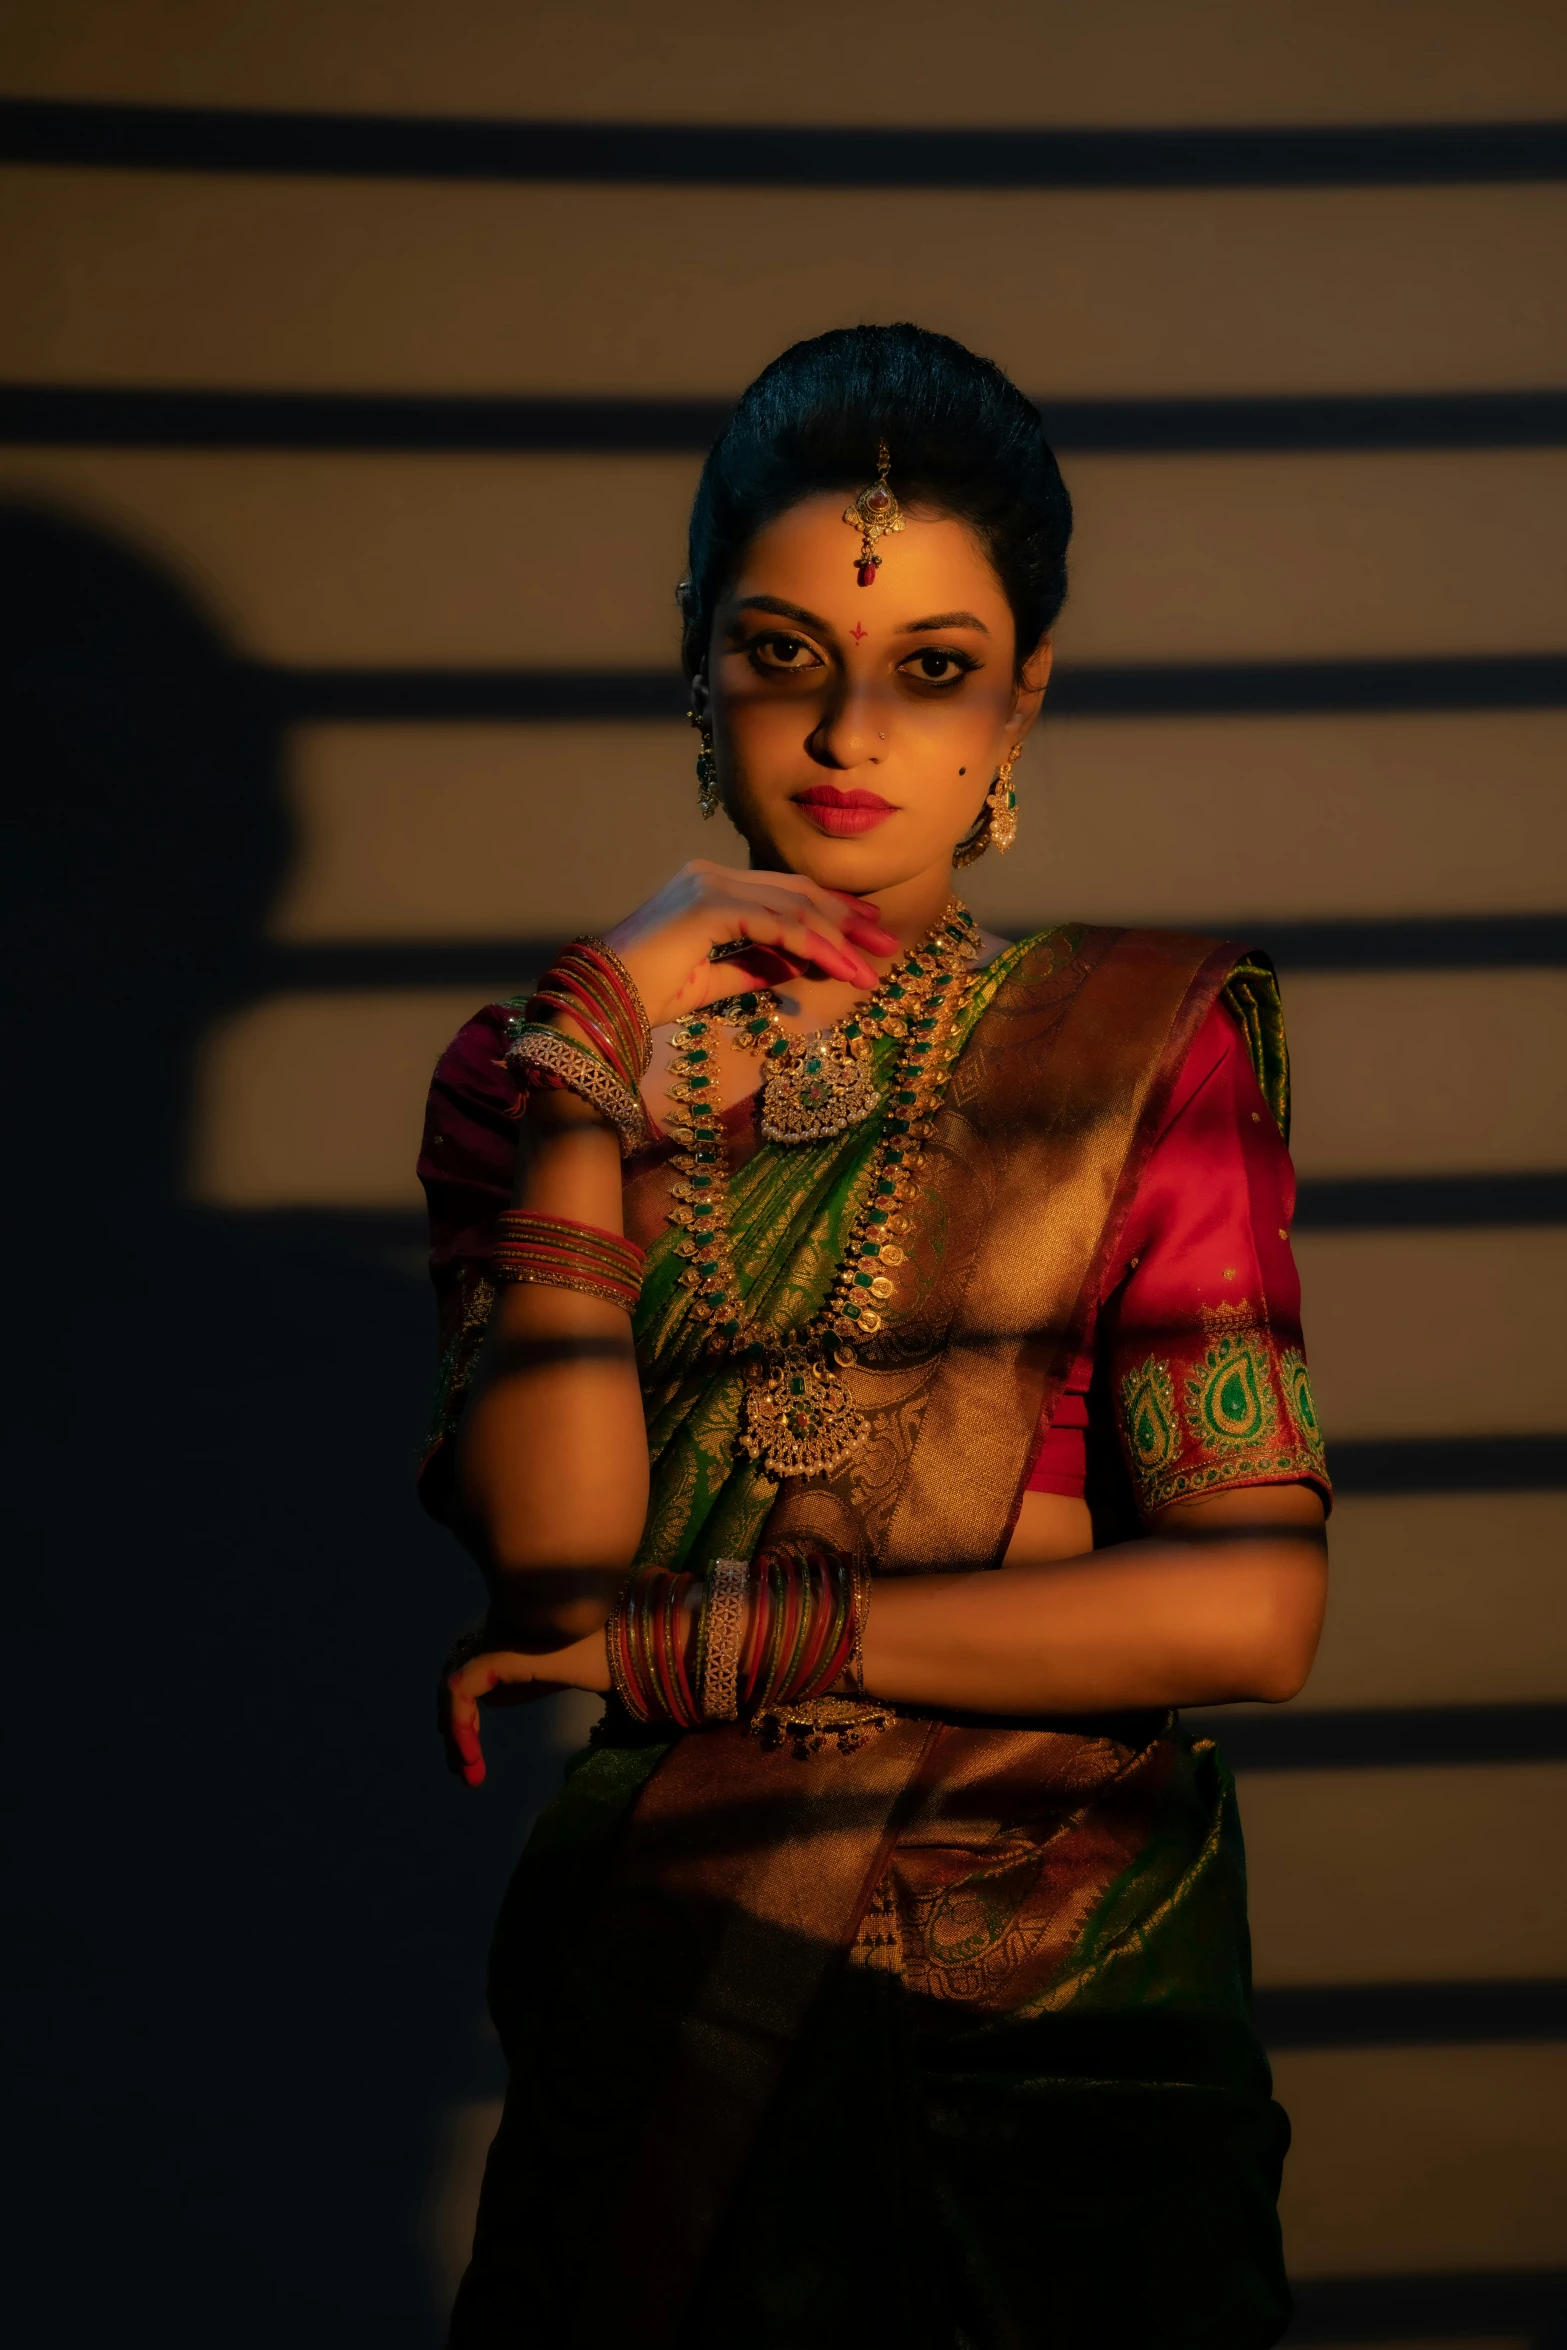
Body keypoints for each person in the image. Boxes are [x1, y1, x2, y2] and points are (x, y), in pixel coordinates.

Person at [418, 325, 1330, 2350]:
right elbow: (558, 1560)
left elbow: (1252, 1609)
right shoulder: (533, 1074)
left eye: (931, 668)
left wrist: (728, 1632)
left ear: (1021, 705)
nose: (848, 729)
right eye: (781, 653)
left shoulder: (1136, 1051)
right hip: (674, 2003)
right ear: (698, 659)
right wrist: (593, 1070)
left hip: (1067, 2029)